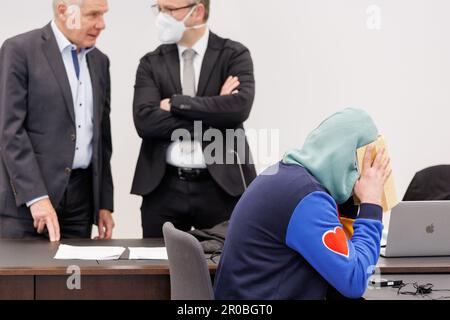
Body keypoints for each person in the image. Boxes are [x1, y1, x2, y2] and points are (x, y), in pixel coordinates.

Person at [214, 108, 391, 300]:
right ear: (350, 161)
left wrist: (351, 201)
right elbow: (354, 280)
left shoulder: (286, 177)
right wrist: (371, 203)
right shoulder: (307, 200)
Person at [132, 0, 256, 237]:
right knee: (158, 268)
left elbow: (238, 109)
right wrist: (216, 107)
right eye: (159, 9)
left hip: (220, 186)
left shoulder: (233, 55)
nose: (162, 16)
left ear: (197, 11)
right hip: (163, 187)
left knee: (221, 267)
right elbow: (145, 121)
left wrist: (176, 104)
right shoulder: (151, 62)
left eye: (169, 10)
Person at [0, 0, 115, 241]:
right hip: (26, 203)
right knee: (24, 278)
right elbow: (10, 131)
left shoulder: (100, 62)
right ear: (64, 11)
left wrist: (104, 203)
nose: (102, 24)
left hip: (80, 204)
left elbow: (102, 136)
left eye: (103, 15)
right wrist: (36, 197)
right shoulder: (19, 50)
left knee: (73, 278)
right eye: (93, 15)